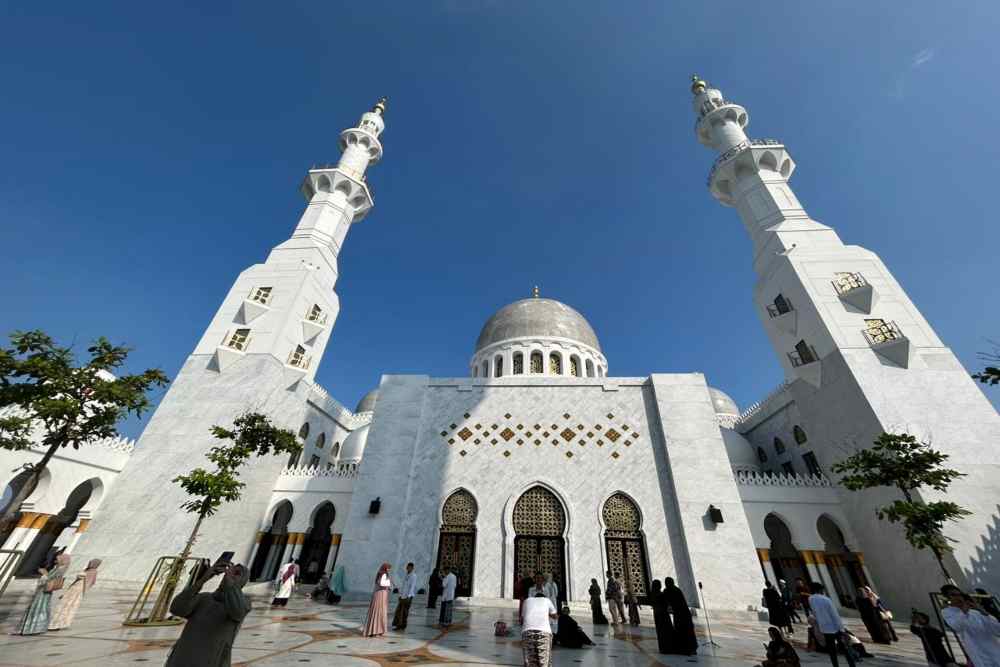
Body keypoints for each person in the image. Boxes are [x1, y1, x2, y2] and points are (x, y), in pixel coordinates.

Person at [164, 562, 252, 667]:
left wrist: (231, 585)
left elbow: (238, 612)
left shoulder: (244, 603)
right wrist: (203, 579)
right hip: (181, 659)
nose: (230, 575)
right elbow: (177, 609)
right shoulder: (204, 598)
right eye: (229, 571)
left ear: (243, 581)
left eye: (237, 573)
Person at [940, 583, 1000, 667]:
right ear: (947, 598)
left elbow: (997, 630)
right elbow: (957, 626)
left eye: (959, 594)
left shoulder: (975, 612)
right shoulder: (948, 612)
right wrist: (964, 611)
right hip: (979, 655)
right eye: (953, 595)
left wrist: (985, 613)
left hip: (994, 651)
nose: (958, 597)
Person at [13, 552, 70, 635]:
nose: (55, 561)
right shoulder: (59, 568)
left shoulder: (59, 569)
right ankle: (35, 628)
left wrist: (44, 573)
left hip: (43, 592)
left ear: (63, 560)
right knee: (40, 608)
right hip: (45, 591)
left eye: (57, 560)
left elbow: (49, 579)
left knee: (37, 608)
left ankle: (32, 628)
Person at [809, 582, 856, 667]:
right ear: (819, 590)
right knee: (845, 648)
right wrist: (842, 629)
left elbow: (815, 613)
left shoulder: (811, 599)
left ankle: (835, 665)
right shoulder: (826, 600)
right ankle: (852, 665)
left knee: (832, 650)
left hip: (824, 628)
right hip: (835, 627)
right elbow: (835, 616)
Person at [49, 558, 101, 630]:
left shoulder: (93, 572)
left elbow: (90, 582)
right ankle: (57, 623)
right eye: (90, 562)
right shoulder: (87, 570)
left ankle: (59, 624)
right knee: (64, 605)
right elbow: (76, 581)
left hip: (78, 590)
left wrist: (83, 588)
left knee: (69, 606)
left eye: (91, 563)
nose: (90, 564)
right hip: (74, 589)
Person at [521, 591, 558, 666]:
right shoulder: (547, 600)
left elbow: (522, 618)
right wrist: (548, 614)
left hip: (527, 632)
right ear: (543, 597)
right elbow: (555, 616)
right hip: (544, 632)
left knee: (530, 662)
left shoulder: (527, 601)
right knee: (544, 662)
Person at [663, 577, 697, 655]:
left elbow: (664, 600)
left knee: (682, 631)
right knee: (688, 631)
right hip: (684, 614)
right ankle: (691, 649)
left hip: (680, 614)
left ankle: (685, 649)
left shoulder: (669, 590)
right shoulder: (676, 589)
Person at [362, 562, 392, 637]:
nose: (389, 570)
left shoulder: (380, 573)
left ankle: (375, 630)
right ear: (385, 568)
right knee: (379, 612)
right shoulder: (384, 574)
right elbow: (381, 583)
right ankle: (376, 631)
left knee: (377, 611)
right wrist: (389, 583)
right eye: (388, 568)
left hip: (379, 594)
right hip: (380, 595)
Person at [649, 580, 676, 654]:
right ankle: (669, 647)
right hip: (663, 614)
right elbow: (666, 604)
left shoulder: (652, 594)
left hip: (657, 614)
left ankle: (662, 648)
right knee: (666, 631)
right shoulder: (660, 594)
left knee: (660, 631)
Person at [392, 562, 417, 630]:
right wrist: (400, 594)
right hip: (403, 595)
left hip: (408, 597)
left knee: (405, 612)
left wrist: (408, 596)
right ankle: (398, 625)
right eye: (407, 567)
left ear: (412, 568)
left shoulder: (413, 576)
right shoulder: (406, 575)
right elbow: (403, 586)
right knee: (399, 611)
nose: (408, 568)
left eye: (409, 567)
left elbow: (412, 587)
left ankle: (403, 625)